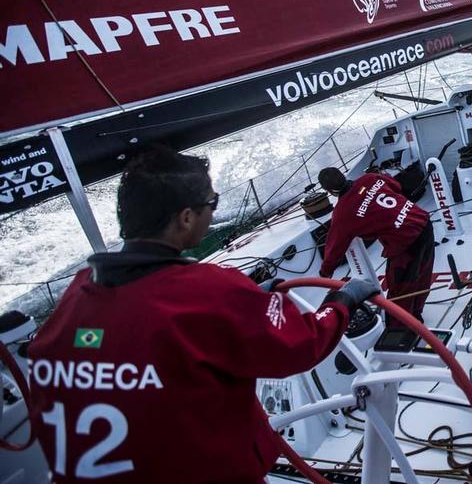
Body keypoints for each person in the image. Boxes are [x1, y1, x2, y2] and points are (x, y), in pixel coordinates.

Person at [27, 148, 379, 483]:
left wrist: (247, 302)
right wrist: (342, 302)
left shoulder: (77, 293)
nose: (212, 212)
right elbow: (301, 344)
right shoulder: (209, 291)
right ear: (185, 217)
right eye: (212, 203)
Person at [318, 167, 435, 326]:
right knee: (422, 275)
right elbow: (396, 186)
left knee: (400, 288)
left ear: (329, 191)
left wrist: (325, 272)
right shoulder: (370, 178)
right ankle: (416, 314)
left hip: (405, 242)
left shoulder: (342, 214)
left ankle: (400, 328)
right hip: (423, 222)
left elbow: (334, 248)